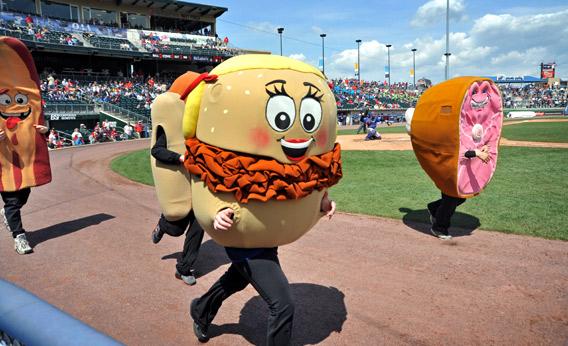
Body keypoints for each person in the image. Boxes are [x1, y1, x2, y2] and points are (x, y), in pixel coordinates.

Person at [190, 194, 336, 344]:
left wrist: (321, 201)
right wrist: (217, 210)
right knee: (283, 304)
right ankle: (201, 310)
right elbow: (219, 181)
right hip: (244, 244)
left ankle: (200, 310)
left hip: (267, 238)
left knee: (237, 279)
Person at [150, 126, 204, 285]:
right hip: (181, 187)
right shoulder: (171, 125)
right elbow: (157, 150)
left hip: (200, 188)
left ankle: (183, 269)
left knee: (198, 230)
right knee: (176, 230)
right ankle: (163, 224)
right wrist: (180, 158)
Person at [428, 145, 490, 240]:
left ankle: (434, 208)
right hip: (449, 173)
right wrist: (477, 153)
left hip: (459, 173)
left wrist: (482, 147)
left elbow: (468, 144)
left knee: (460, 198)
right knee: (450, 201)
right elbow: (457, 152)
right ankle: (439, 228)